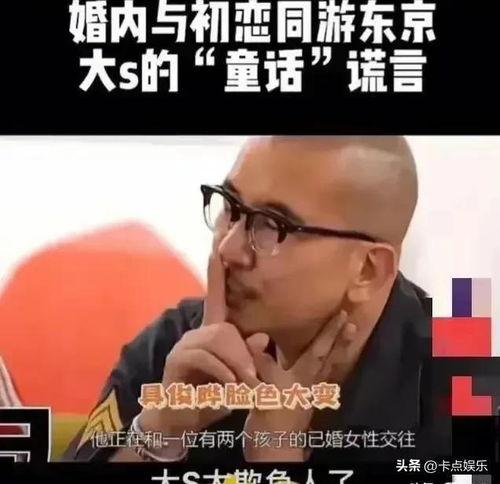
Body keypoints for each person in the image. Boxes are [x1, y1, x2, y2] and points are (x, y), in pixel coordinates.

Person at [62, 136, 448, 463]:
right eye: (231, 208)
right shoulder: (178, 346)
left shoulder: (462, 378)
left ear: (367, 269)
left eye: (271, 225)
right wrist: (161, 431)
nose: (228, 250)